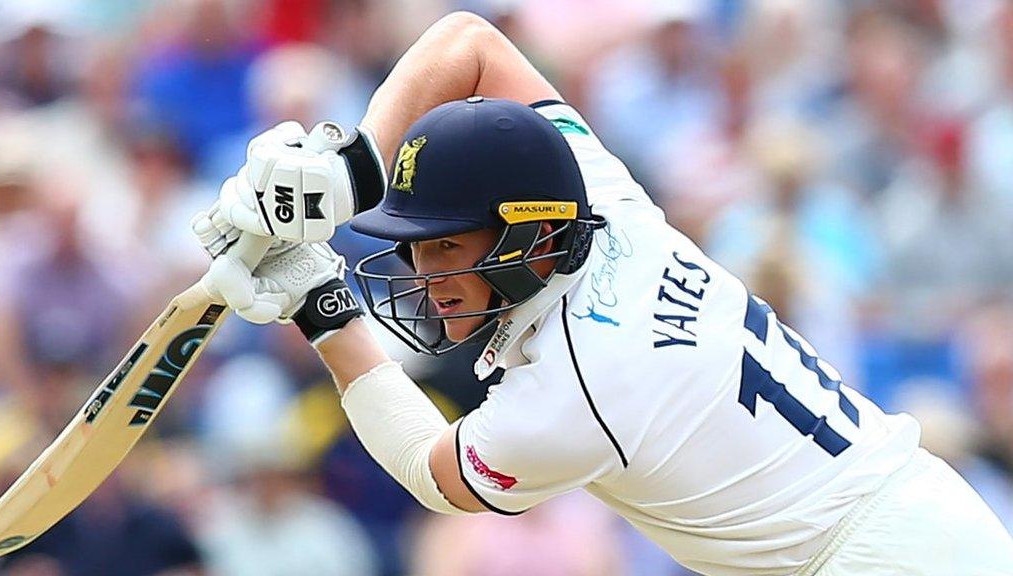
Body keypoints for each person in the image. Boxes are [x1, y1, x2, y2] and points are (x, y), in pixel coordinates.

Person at [190, 11, 1013, 576]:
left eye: (444, 245)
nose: (423, 274)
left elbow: (428, 471)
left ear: (523, 236)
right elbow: (469, 40)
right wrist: (354, 166)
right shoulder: (605, 203)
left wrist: (320, 307)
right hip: (919, 509)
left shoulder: (573, 391)